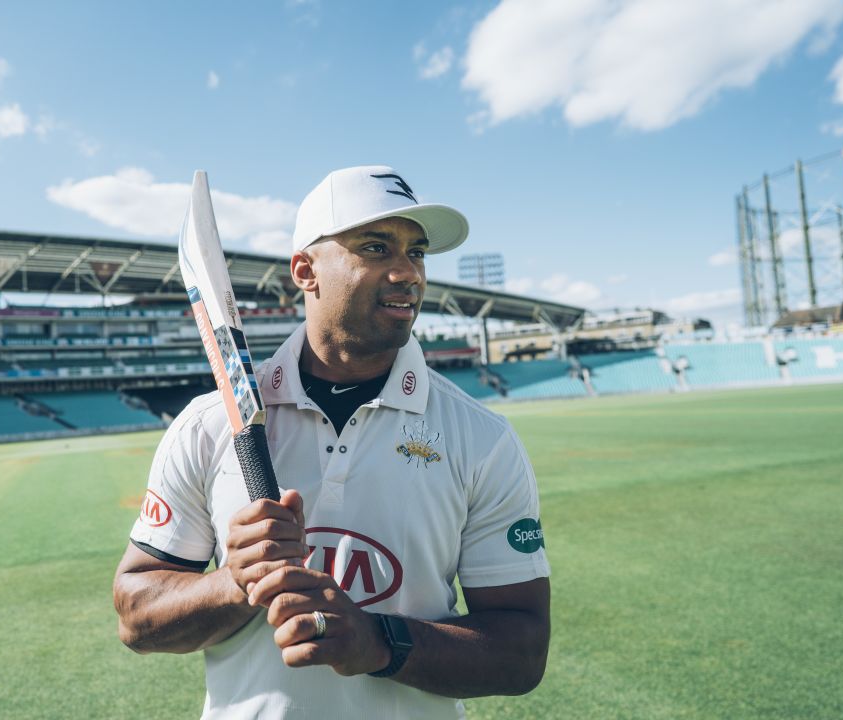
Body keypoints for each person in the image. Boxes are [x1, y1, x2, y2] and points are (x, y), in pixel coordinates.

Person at [113, 165, 551, 719]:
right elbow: (136, 617)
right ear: (305, 270)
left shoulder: (481, 438)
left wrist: (379, 644)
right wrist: (233, 582)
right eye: (376, 248)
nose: (407, 273)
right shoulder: (207, 425)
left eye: (416, 253)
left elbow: (522, 650)